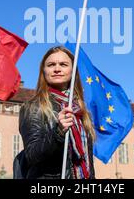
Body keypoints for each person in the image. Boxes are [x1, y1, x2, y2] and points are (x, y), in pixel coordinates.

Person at [18, 46, 96, 179]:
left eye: (63, 64)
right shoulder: (33, 106)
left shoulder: (80, 110)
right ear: (44, 71)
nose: (57, 69)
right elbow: (32, 155)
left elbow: (87, 161)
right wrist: (58, 133)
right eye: (51, 65)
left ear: (73, 71)